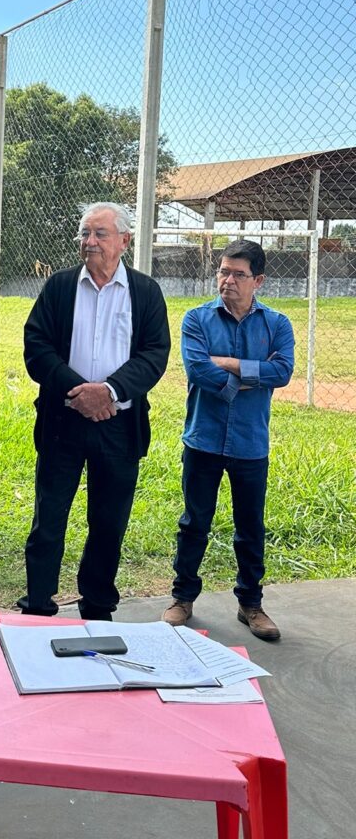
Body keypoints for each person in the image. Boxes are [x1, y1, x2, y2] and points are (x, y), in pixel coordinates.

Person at [18, 202, 170, 620]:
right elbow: (37, 347)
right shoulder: (60, 287)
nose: (90, 242)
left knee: (108, 522)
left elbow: (155, 354)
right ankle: (38, 604)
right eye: (85, 233)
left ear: (125, 240)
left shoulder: (145, 292)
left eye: (100, 234)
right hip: (62, 420)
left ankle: (98, 605)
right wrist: (78, 391)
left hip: (119, 425)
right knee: (49, 518)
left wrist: (110, 391)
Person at [162, 240, 294, 640]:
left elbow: (284, 371)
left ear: (259, 280)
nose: (228, 280)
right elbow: (199, 370)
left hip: (250, 444)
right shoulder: (197, 319)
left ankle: (250, 605)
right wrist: (254, 374)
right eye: (223, 271)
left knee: (250, 526)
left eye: (238, 274)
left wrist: (231, 363)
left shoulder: (277, 324)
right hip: (203, 439)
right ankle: (182, 599)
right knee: (193, 522)